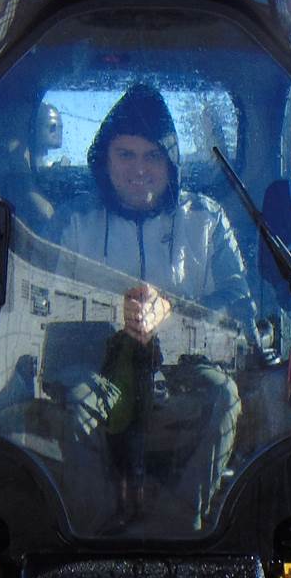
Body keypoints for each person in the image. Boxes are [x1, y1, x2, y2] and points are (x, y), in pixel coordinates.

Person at [52, 83, 253, 532]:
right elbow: (46, 308)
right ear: (104, 159)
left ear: (171, 161)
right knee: (74, 404)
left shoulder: (206, 220)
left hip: (184, 366)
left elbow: (239, 304)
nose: (139, 169)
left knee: (223, 397)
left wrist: (173, 314)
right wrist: (114, 313)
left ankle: (180, 530)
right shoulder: (75, 222)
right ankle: (94, 535)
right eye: (126, 154)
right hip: (99, 366)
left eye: (152, 156)